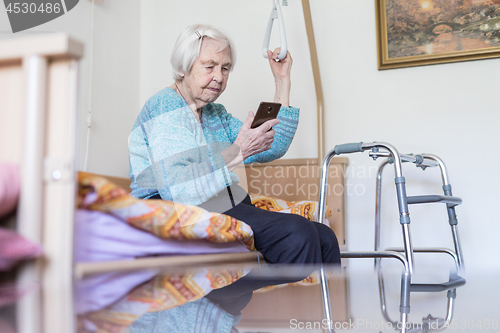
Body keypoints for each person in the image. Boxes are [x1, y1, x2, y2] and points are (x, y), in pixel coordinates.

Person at [128, 24, 340, 316]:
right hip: (171, 211)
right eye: (209, 66)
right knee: (298, 239)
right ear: (182, 67)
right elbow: (179, 190)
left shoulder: (215, 113)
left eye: (226, 68)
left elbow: (271, 146)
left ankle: (214, 293)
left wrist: (282, 83)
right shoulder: (166, 108)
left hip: (223, 203)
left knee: (324, 240)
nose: (219, 77)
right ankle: (204, 290)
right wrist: (238, 151)